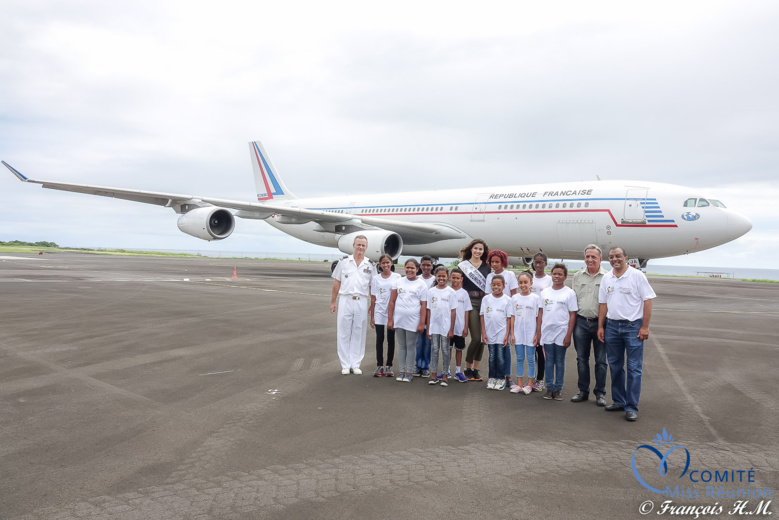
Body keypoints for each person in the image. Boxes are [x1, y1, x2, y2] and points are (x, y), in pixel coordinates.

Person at [597, 247, 656, 422]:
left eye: (618, 256)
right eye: (612, 257)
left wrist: (645, 327)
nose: (615, 259)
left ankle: (631, 406)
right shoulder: (606, 278)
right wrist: (601, 326)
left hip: (633, 327)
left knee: (634, 368)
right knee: (615, 366)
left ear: (626, 258)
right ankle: (619, 401)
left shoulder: (637, 276)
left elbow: (647, 301)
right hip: (612, 327)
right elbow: (603, 304)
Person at [330, 235, 375, 375]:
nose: (360, 247)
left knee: (358, 332)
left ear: (366, 247)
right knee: (343, 331)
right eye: (358, 244)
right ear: (353, 245)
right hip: (345, 299)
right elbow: (337, 282)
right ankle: (345, 364)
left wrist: (372, 305)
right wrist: (333, 301)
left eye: (363, 245)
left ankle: (355, 364)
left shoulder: (370, 265)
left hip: (361, 300)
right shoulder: (343, 262)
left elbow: (372, 287)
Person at [570, 244, 608, 405]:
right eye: (587, 256)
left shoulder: (607, 277)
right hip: (581, 323)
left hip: (601, 324)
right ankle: (583, 391)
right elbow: (573, 301)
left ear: (600, 259)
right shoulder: (578, 276)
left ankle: (600, 393)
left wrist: (601, 325)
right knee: (581, 359)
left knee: (600, 360)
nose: (590, 259)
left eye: (593, 257)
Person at [540, 263, 577, 401]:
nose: (556, 276)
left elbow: (572, 315)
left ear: (565, 276)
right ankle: (549, 388)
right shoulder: (545, 292)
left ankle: (558, 388)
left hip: (562, 332)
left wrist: (568, 335)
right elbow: (540, 313)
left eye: (560, 274)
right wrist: (538, 332)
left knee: (560, 361)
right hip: (547, 331)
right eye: (554, 274)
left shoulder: (569, 293)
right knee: (549, 360)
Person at [387, 259, 428, 382]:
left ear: (417, 269)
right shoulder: (398, 282)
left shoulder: (422, 285)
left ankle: (409, 372)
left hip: (413, 321)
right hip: (399, 320)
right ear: (404, 268)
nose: (409, 270)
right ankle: (402, 371)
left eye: (412, 268)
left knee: (411, 346)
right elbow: (392, 301)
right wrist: (390, 319)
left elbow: (423, 305)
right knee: (402, 346)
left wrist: (422, 323)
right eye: (407, 267)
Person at [459, 239, 491, 382]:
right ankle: (467, 368)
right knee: (476, 337)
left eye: (481, 249)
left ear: (484, 252)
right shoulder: (463, 266)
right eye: (476, 248)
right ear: (471, 249)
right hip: (470, 302)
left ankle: (475, 369)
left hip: (483, 302)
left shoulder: (487, 267)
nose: (478, 251)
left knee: (483, 339)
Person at [485, 249, 518, 389]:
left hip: (507, 315)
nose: (495, 264)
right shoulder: (489, 276)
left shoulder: (509, 275)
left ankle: (508, 377)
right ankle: (496, 377)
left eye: (497, 261)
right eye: (492, 262)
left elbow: (514, 295)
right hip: (493, 317)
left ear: (503, 262)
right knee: (495, 352)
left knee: (505, 351)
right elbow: (487, 296)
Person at [509, 271, 541, 395]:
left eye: (525, 282)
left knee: (531, 359)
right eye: (520, 282)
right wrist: (512, 333)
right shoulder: (515, 298)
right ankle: (520, 384)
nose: (523, 285)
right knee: (520, 358)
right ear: (518, 284)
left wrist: (537, 334)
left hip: (531, 333)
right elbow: (512, 316)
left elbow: (538, 318)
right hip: (518, 333)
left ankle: (530, 384)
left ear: (531, 283)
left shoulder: (536, 298)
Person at [370, 254, 401, 377]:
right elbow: (373, 298)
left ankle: (389, 365)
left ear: (391, 263)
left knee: (391, 339)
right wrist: (372, 316)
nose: (386, 265)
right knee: (379, 339)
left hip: (392, 313)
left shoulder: (397, 277)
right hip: (379, 312)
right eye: (383, 263)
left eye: (388, 262)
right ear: (380, 265)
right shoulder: (376, 279)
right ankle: (379, 366)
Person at [426, 266, 457, 387]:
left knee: (445, 350)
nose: (441, 278)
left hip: (446, 326)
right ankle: (433, 375)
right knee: (434, 350)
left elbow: (453, 311)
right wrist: (428, 328)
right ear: (436, 276)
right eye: (439, 276)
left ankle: (445, 375)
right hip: (434, 326)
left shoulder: (451, 292)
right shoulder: (431, 291)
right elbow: (429, 310)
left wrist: (451, 329)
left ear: (447, 277)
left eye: (444, 276)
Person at [480, 275, 512, 391]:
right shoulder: (486, 299)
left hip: (501, 333)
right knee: (492, 356)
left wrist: (507, 334)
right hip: (489, 333)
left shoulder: (507, 300)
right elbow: (482, 316)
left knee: (500, 357)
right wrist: (483, 333)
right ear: (491, 286)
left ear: (503, 286)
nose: (496, 287)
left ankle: (501, 378)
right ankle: (492, 377)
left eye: (499, 285)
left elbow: (509, 318)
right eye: (494, 285)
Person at [529, 252, 552, 391]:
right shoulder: (529, 277)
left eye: (541, 262)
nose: (538, 265)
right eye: (536, 262)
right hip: (529, 317)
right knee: (531, 349)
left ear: (545, 264)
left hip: (542, 317)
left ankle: (540, 378)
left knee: (540, 349)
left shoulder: (549, 280)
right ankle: (531, 378)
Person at [414, 255, 436, 377]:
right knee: (418, 342)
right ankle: (417, 365)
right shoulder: (417, 279)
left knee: (428, 343)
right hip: (418, 314)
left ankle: (426, 366)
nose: (426, 267)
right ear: (420, 266)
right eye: (424, 265)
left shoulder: (435, 280)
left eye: (428, 265)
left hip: (431, 315)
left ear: (432, 266)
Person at [448, 268, 472, 383]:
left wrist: (465, 326)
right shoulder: (447, 291)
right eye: (453, 278)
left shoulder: (464, 293)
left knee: (459, 349)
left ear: (461, 279)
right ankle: (446, 370)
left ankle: (458, 371)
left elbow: (467, 310)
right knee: (448, 349)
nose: (455, 280)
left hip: (460, 326)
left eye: (457, 278)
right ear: (449, 278)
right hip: (447, 327)